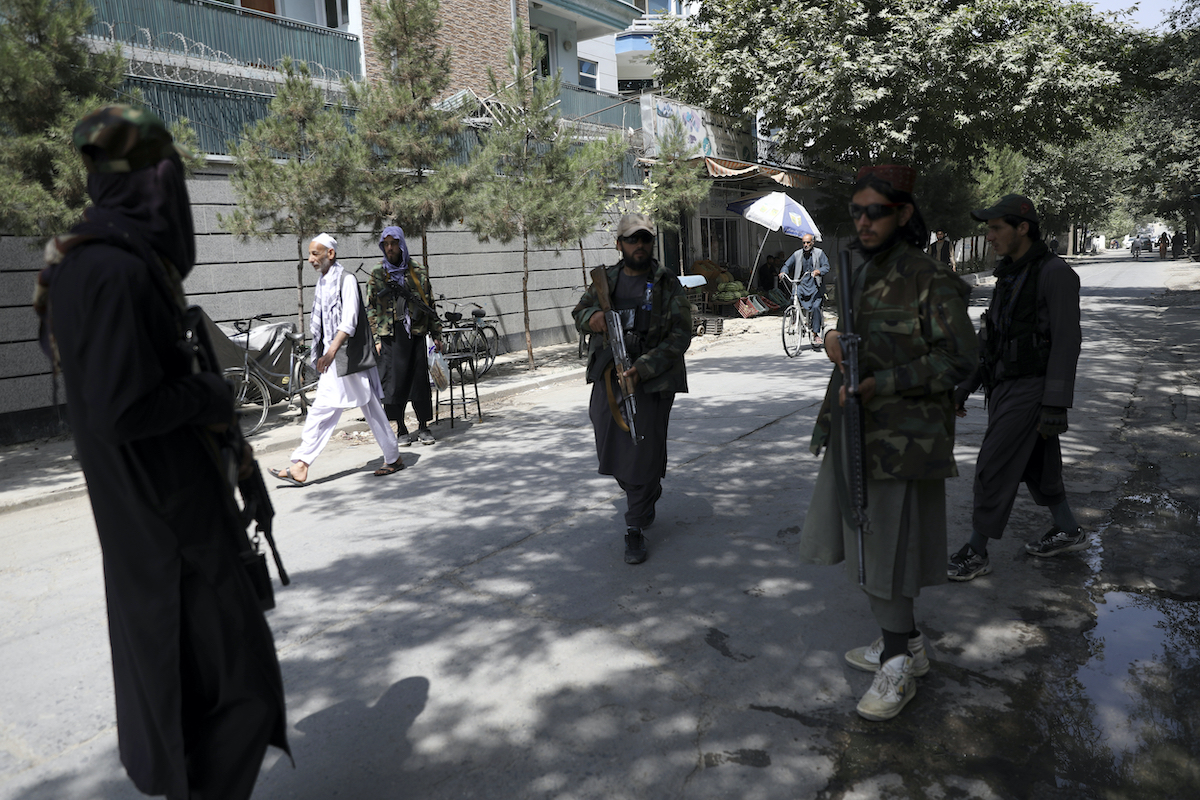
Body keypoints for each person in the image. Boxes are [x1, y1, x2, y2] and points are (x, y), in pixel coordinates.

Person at [33, 105, 288, 799]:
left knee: (205, 701)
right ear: (148, 180)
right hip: (172, 538)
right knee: (235, 698)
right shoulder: (111, 271)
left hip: (165, 528)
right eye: (167, 173)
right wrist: (208, 393)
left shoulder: (91, 264)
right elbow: (123, 409)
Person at [798, 165, 977, 721]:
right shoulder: (860, 272)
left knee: (887, 550)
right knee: (869, 544)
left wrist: (888, 382)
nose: (863, 220)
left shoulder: (930, 279)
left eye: (875, 210)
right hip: (854, 425)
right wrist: (830, 338)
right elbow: (854, 340)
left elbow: (962, 361)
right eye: (856, 211)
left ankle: (898, 662)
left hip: (902, 438)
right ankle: (906, 642)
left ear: (902, 213)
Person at [947, 194, 1084, 581]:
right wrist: (966, 385)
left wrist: (1055, 403)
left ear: (1022, 228)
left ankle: (976, 551)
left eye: (995, 228)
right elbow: (991, 336)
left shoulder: (1055, 273)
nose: (988, 236)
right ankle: (1068, 528)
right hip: (1004, 385)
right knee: (1037, 464)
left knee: (993, 465)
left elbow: (1067, 342)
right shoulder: (1009, 273)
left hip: (1032, 388)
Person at [573, 213, 692, 565]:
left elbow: (681, 334)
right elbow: (579, 311)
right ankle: (645, 488)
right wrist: (592, 319)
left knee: (641, 448)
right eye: (631, 239)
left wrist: (642, 369)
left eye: (645, 239)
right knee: (608, 438)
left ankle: (635, 526)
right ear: (619, 244)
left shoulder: (666, 282)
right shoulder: (606, 280)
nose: (639, 245)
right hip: (609, 375)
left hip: (653, 378)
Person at [271, 234, 404, 484]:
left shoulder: (346, 280)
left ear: (330, 254)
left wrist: (330, 352)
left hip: (346, 357)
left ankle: (302, 464)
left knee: (339, 407)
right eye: (309, 254)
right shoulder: (323, 282)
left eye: (315, 253)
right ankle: (303, 464)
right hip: (335, 358)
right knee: (340, 407)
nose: (311, 259)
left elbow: (349, 321)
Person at [365, 225, 442, 446]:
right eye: (386, 244)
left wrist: (436, 332)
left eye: (393, 243)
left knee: (419, 383)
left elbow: (429, 303)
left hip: (415, 333)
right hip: (390, 335)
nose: (390, 248)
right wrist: (376, 338)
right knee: (393, 385)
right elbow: (370, 307)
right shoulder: (378, 273)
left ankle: (424, 427)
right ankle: (401, 428)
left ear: (401, 244)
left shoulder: (417, 271)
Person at [780, 233, 831, 344]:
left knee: (816, 307)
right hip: (801, 284)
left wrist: (819, 271)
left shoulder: (819, 253)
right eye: (804, 243)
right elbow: (787, 265)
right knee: (793, 297)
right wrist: (783, 271)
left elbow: (826, 266)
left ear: (813, 242)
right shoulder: (797, 254)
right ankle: (795, 317)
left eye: (808, 242)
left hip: (815, 285)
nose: (806, 245)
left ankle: (815, 333)